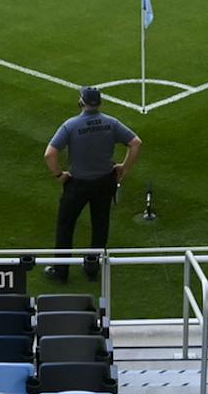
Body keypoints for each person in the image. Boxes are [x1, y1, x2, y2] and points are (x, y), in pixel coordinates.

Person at [45, 86, 140, 263]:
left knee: (66, 225)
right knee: (100, 225)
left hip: (77, 184)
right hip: (105, 182)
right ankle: (92, 266)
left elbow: (50, 154)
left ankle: (61, 269)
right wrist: (124, 168)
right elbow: (135, 143)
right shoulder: (111, 123)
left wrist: (59, 175)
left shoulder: (70, 125)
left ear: (81, 102)